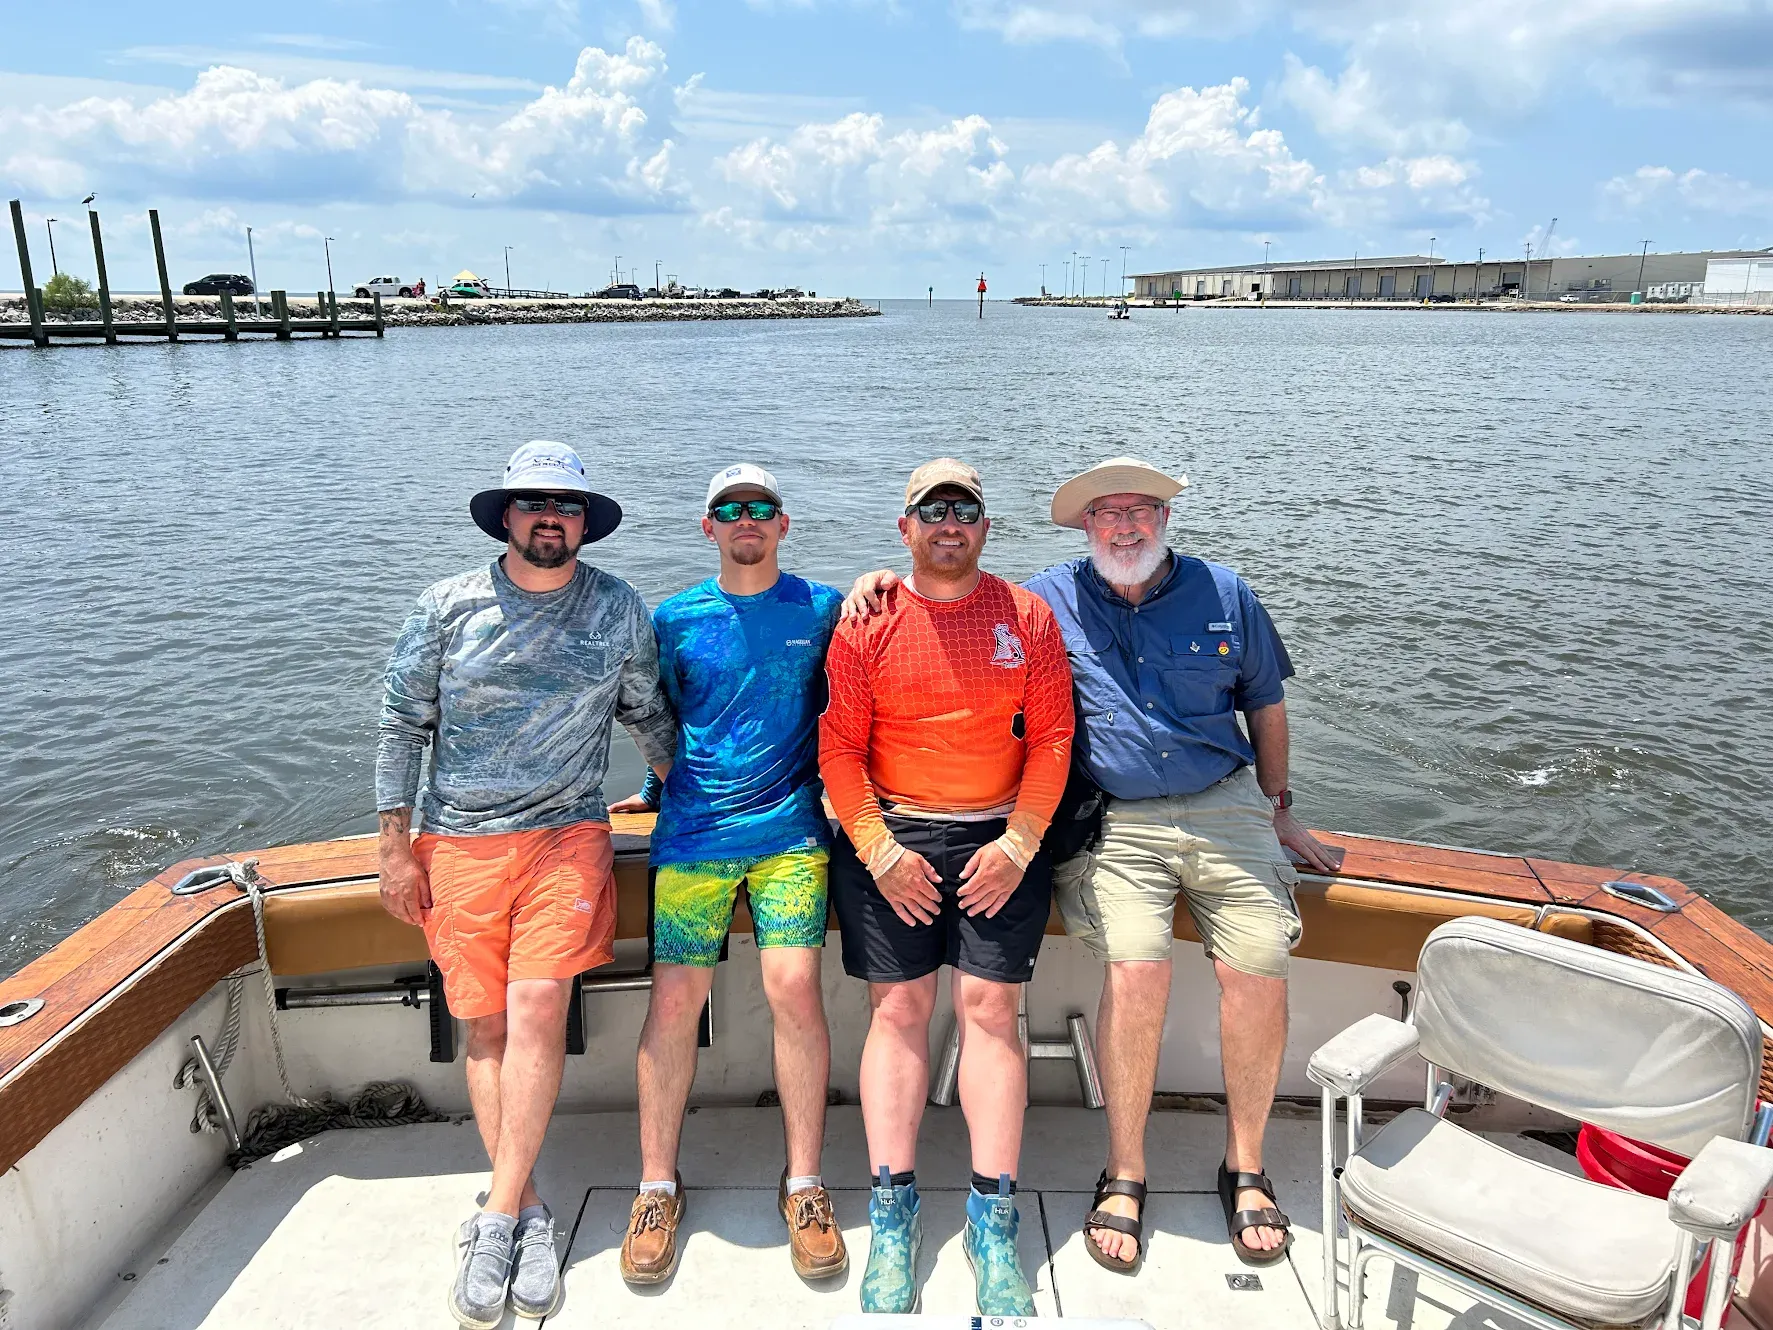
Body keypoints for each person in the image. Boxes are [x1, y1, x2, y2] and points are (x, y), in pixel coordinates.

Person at [843, 455, 1337, 1274]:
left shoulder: (1225, 593)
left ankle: (1245, 1167)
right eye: (1106, 513)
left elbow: (1265, 704)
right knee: (1135, 973)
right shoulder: (1048, 598)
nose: (1125, 525)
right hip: (1118, 816)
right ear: (1083, 527)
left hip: (1226, 800)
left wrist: (1280, 808)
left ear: (1164, 519)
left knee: (1259, 967)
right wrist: (876, 579)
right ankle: (1126, 1171)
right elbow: (944, 593)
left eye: (1140, 510)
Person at [376, 442, 677, 1329]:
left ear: (586, 523)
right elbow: (400, 725)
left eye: (568, 505)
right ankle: (529, 1204)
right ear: (504, 518)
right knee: (487, 1024)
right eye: (532, 503)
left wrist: (678, 793)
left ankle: (498, 1217)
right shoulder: (445, 606)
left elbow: (647, 710)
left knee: (539, 1003)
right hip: (458, 842)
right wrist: (396, 848)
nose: (551, 516)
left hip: (567, 834)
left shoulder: (619, 606)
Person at [820, 459, 1073, 1317]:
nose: (948, 524)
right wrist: (879, 851)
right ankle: (892, 1213)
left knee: (989, 1013)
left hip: (1004, 833)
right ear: (905, 530)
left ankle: (991, 1219)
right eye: (931, 511)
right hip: (892, 831)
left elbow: (1051, 741)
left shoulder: (1027, 617)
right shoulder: (867, 619)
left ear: (984, 527)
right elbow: (838, 753)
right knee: (896, 1010)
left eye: (963, 510)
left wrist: (1021, 840)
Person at [607, 464, 848, 1286]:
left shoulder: (825, 609)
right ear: (706, 528)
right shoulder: (671, 619)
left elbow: (851, 700)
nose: (746, 519)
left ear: (784, 525)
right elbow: (651, 713)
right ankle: (654, 1187)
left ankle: (807, 1183)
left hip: (791, 840)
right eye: (729, 510)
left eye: (761, 509)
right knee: (673, 1001)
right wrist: (653, 786)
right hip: (692, 841)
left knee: (794, 990)